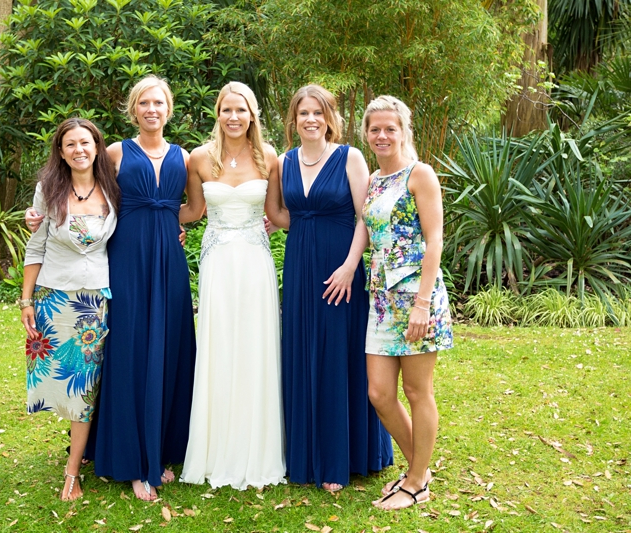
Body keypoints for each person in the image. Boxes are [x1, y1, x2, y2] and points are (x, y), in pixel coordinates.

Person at [25, 76, 196, 501]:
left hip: (168, 263)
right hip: (123, 263)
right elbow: (81, 191)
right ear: (133, 109)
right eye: (144, 103)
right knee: (129, 352)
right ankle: (132, 458)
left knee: (170, 348)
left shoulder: (185, 156)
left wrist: (173, 223)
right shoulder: (115, 152)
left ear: (169, 109)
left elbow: (196, 205)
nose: (151, 109)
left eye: (159, 102)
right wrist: (38, 216)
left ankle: (160, 448)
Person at [276, 85, 393, 492]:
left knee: (336, 354)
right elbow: (278, 212)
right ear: (294, 119)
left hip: (341, 269)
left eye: (318, 113)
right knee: (303, 350)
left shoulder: (349, 157)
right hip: (299, 269)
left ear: (330, 118)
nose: (311, 119)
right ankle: (307, 455)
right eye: (303, 113)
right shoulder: (283, 161)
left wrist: (348, 267)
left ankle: (342, 457)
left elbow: (366, 217)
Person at [178, 82, 286, 490]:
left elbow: (276, 212)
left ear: (252, 114)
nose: (234, 117)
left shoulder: (269, 158)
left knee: (256, 346)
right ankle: (214, 447)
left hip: (256, 262)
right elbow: (194, 210)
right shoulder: (200, 159)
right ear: (217, 113)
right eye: (226, 110)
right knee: (218, 345)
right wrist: (160, 219)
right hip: (218, 263)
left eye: (241, 110)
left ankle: (258, 448)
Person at [21, 118, 120, 501]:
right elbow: (36, 247)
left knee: (86, 388)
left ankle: (73, 470)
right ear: (60, 152)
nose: (79, 150)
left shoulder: (113, 188)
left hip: (94, 300)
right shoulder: (48, 189)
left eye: (85, 142)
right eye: (70, 144)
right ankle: (80, 452)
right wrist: (26, 300)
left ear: (97, 147)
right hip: (53, 296)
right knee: (61, 383)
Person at [362, 95, 453, 510]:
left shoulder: (421, 175)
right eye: (375, 129)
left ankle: (416, 482)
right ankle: (421, 467)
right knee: (380, 393)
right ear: (366, 133)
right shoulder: (372, 181)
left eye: (390, 129)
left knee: (417, 390)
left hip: (418, 297)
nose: (382, 135)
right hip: (381, 300)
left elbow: (435, 241)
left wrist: (421, 304)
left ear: (403, 131)